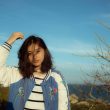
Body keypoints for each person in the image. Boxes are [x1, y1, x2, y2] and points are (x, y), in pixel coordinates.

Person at [0, 32, 70, 110]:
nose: (35, 56)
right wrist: (9, 42)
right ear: (25, 56)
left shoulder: (56, 77)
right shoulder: (17, 74)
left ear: (44, 51)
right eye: (30, 53)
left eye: (38, 51)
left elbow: (64, 106)